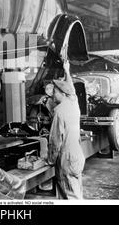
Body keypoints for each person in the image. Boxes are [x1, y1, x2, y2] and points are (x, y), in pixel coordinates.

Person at [47, 61, 85, 200]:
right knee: (76, 192)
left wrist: (50, 160)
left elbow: (55, 141)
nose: (52, 95)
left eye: (55, 92)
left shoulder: (59, 112)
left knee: (69, 196)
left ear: (62, 93)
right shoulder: (74, 103)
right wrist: (67, 71)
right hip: (77, 155)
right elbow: (71, 89)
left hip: (66, 160)